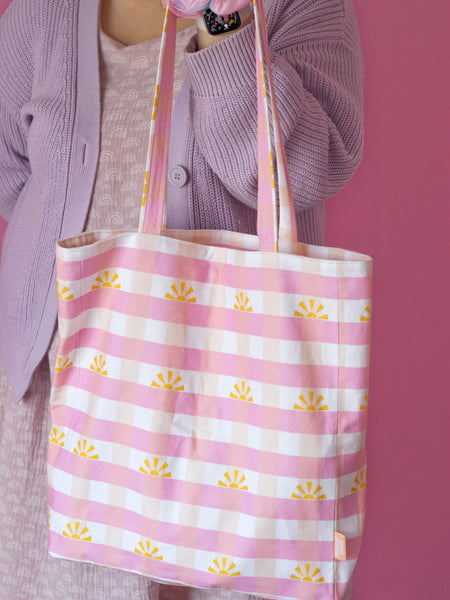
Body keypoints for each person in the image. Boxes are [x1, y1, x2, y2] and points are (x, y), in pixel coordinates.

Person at [0, 0, 363, 598]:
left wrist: (226, 27)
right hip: (60, 395)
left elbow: (306, 170)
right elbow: (17, 179)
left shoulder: (300, 6)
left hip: (230, 420)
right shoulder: (41, 14)